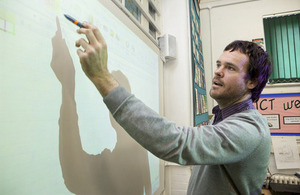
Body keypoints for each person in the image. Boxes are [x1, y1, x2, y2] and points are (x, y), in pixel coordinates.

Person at [74, 22, 272, 195]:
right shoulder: (222, 117)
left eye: (230, 68)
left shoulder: (250, 129)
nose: (218, 72)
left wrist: (102, 77)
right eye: (219, 64)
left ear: (252, 82)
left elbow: (179, 142)